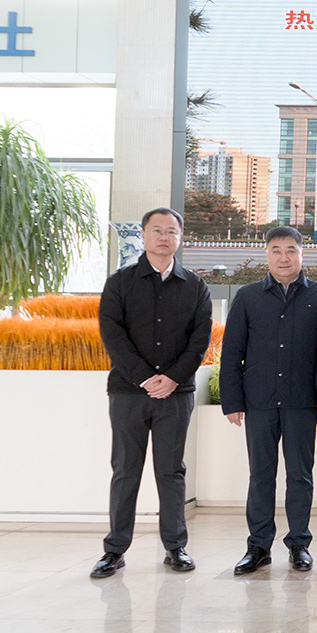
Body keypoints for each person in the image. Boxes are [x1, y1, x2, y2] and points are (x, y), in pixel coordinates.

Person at [91, 207, 213, 579]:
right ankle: (114, 550)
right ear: (143, 235)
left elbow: (199, 340)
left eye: (171, 231)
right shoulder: (120, 283)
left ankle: (176, 548)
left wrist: (172, 378)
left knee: (171, 471)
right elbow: (113, 336)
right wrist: (145, 377)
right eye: (156, 230)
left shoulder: (195, 286)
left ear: (180, 237)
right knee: (125, 470)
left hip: (176, 395)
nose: (163, 237)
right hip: (128, 393)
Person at [219, 226, 317, 575]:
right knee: (260, 476)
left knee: (300, 475)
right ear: (266, 254)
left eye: (291, 250)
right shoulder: (248, 296)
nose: (284, 257)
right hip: (259, 401)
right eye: (277, 250)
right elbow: (231, 352)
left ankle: (299, 544)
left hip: (302, 401)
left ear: (302, 253)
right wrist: (232, 401)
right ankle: (258, 546)